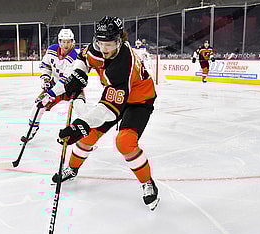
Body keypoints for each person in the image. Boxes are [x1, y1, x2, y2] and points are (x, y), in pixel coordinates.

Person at [45, 16, 160, 211]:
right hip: (116, 97)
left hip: (139, 100)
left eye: (110, 44)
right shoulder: (96, 49)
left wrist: (79, 125)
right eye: (100, 43)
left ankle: (147, 182)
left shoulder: (124, 64)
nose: (104, 49)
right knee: (88, 136)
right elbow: (83, 59)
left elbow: (108, 109)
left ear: (120, 41)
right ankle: (72, 169)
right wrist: (79, 74)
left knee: (125, 142)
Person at [20, 28, 85, 143]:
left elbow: (65, 81)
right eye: (64, 41)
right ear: (59, 42)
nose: (66, 45)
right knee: (38, 105)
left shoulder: (76, 55)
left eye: (69, 41)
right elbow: (46, 66)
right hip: (54, 84)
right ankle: (31, 130)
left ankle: (86, 137)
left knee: (81, 110)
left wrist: (50, 94)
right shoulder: (51, 50)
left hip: (72, 88)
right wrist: (45, 78)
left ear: (73, 42)